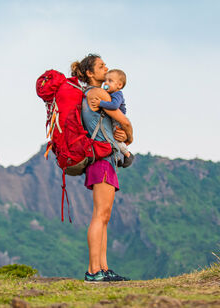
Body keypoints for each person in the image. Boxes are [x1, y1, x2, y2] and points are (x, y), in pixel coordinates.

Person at [71, 54, 133, 282]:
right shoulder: (97, 93)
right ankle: (93, 271)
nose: (106, 68)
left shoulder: (91, 93)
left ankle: (103, 268)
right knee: (100, 215)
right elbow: (124, 122)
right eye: (101, 66)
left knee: (104, 216)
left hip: (104, 159)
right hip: (101, 160)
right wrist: (130, 137)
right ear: (89, 73)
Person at [90, 69, 134, 168]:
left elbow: (114, 105)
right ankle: (117, 158)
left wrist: (100, 103)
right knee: (110, 138)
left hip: (117, 122)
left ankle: (128, 155)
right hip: (113, 120)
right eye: (106, 80)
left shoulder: (118, 94)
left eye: (110, 81)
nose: (106, 83)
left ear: (119, 85)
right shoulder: (110, 94)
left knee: (115, 139)